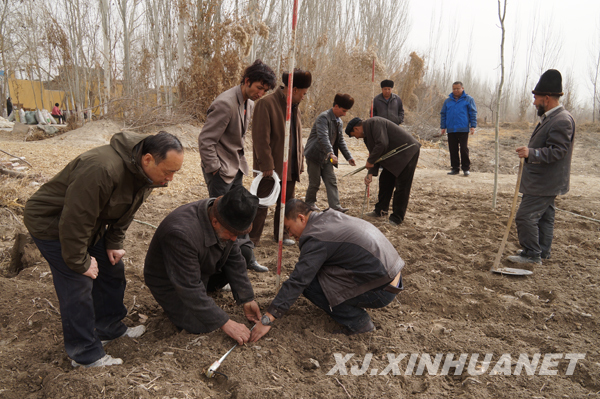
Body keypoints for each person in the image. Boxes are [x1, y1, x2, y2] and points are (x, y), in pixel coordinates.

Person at [23, 131, 185, 368]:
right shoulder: (101, 169)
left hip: (88, 223)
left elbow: (127, 210)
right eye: (168, 171)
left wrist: (114, 242)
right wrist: (81, 263)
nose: (170, 178)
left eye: (174, 172)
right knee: (77, 281)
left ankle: (108, 327)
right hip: (52, 224)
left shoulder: (147, 175)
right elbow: (74, 220)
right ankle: (85, 355)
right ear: (148, 159)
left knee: (111, 267)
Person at [249, 199, 405, 341]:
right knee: (318, 272)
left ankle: (358, 322)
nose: (289, 234)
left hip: (382, 290)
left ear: (302, 218)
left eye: (289, 228)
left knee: (310, 286)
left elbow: (299, 280)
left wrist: (268, 317)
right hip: (392, 275)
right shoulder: (328, 216)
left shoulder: (315, 237)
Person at [144, 186, 266, 345]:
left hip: (202, 268)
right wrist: (225, 322)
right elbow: (189, 286)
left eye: (238, 234)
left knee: (243, 251)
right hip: (172, 280)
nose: (235, 239)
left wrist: (247, 298)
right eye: (232, 233)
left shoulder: (222, 214)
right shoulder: (181, 233)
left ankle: (207, 293)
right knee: (203, 324)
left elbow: (234, 258)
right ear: (215, 222)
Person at [198, 59, 277, 272]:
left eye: (265, 90)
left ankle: (247, 258)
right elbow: (206, 140)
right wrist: (215, 169)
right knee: (221, 220)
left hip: (237, 168)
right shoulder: (225, 103)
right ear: (247, 81)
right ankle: (219, 269)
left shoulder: (249, 103)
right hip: (220, 172)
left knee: (243, 212)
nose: (261, 93)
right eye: (259, 88)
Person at [507, 69, 575, 265]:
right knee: (545, 217)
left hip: (543, 182)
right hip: (546, 181)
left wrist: (532, 153)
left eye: (536, 98)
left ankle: (531, 254)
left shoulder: (561, 120)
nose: (534, 102)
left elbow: (558, 151)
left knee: (525, 216)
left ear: (547, 98)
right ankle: (542, 251)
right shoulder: (554, 118)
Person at [250, 69, 312, 247]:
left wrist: (299, 163)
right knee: (262, 204)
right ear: (296, 89)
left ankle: (281, 234)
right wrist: (266, 164)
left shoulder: (296, 109)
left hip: (290, 167)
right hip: (270, 168)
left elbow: (298, 138)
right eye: (304, 93)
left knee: (286, 204)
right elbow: (261, 139)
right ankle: (252, 239)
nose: (304, 97)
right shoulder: (266, 104)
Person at [345, 116, 420, 226]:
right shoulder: (367, 135)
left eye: (354, 135)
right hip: (394, 157)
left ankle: (397, 218)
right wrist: (370, 172)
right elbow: (375, 153)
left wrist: (370, 161)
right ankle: (381, 210)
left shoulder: (374, 122)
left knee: (402, 186)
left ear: (356, 129)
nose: (356, 138)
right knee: (385, 181)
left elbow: (382, 144)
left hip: (407, 152)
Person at [304, 93, 356, 213]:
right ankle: (309, 204)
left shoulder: (339, 121)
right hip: (314, 155)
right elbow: (323, 137)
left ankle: (335, 206)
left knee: (331, 181)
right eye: (343, 111)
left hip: (327, 156)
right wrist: (331, 153)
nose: (344, 114)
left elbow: (340, 141)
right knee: (315, 183)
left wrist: (349, 157)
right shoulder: (323, 117)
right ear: (336, 106)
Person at [440, 81, 477, 176]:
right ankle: (455, 168)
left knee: (464, 149)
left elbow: (473, 113)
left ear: (462, 88)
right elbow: (443, 114)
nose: (455, 90)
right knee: (453, 149)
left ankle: (466, 168)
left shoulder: (468, 99)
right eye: (454, 89)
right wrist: (443, 126)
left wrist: (473, 126)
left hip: (463, 128)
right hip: (451, 129)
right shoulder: (448, 101)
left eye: (457, 88)